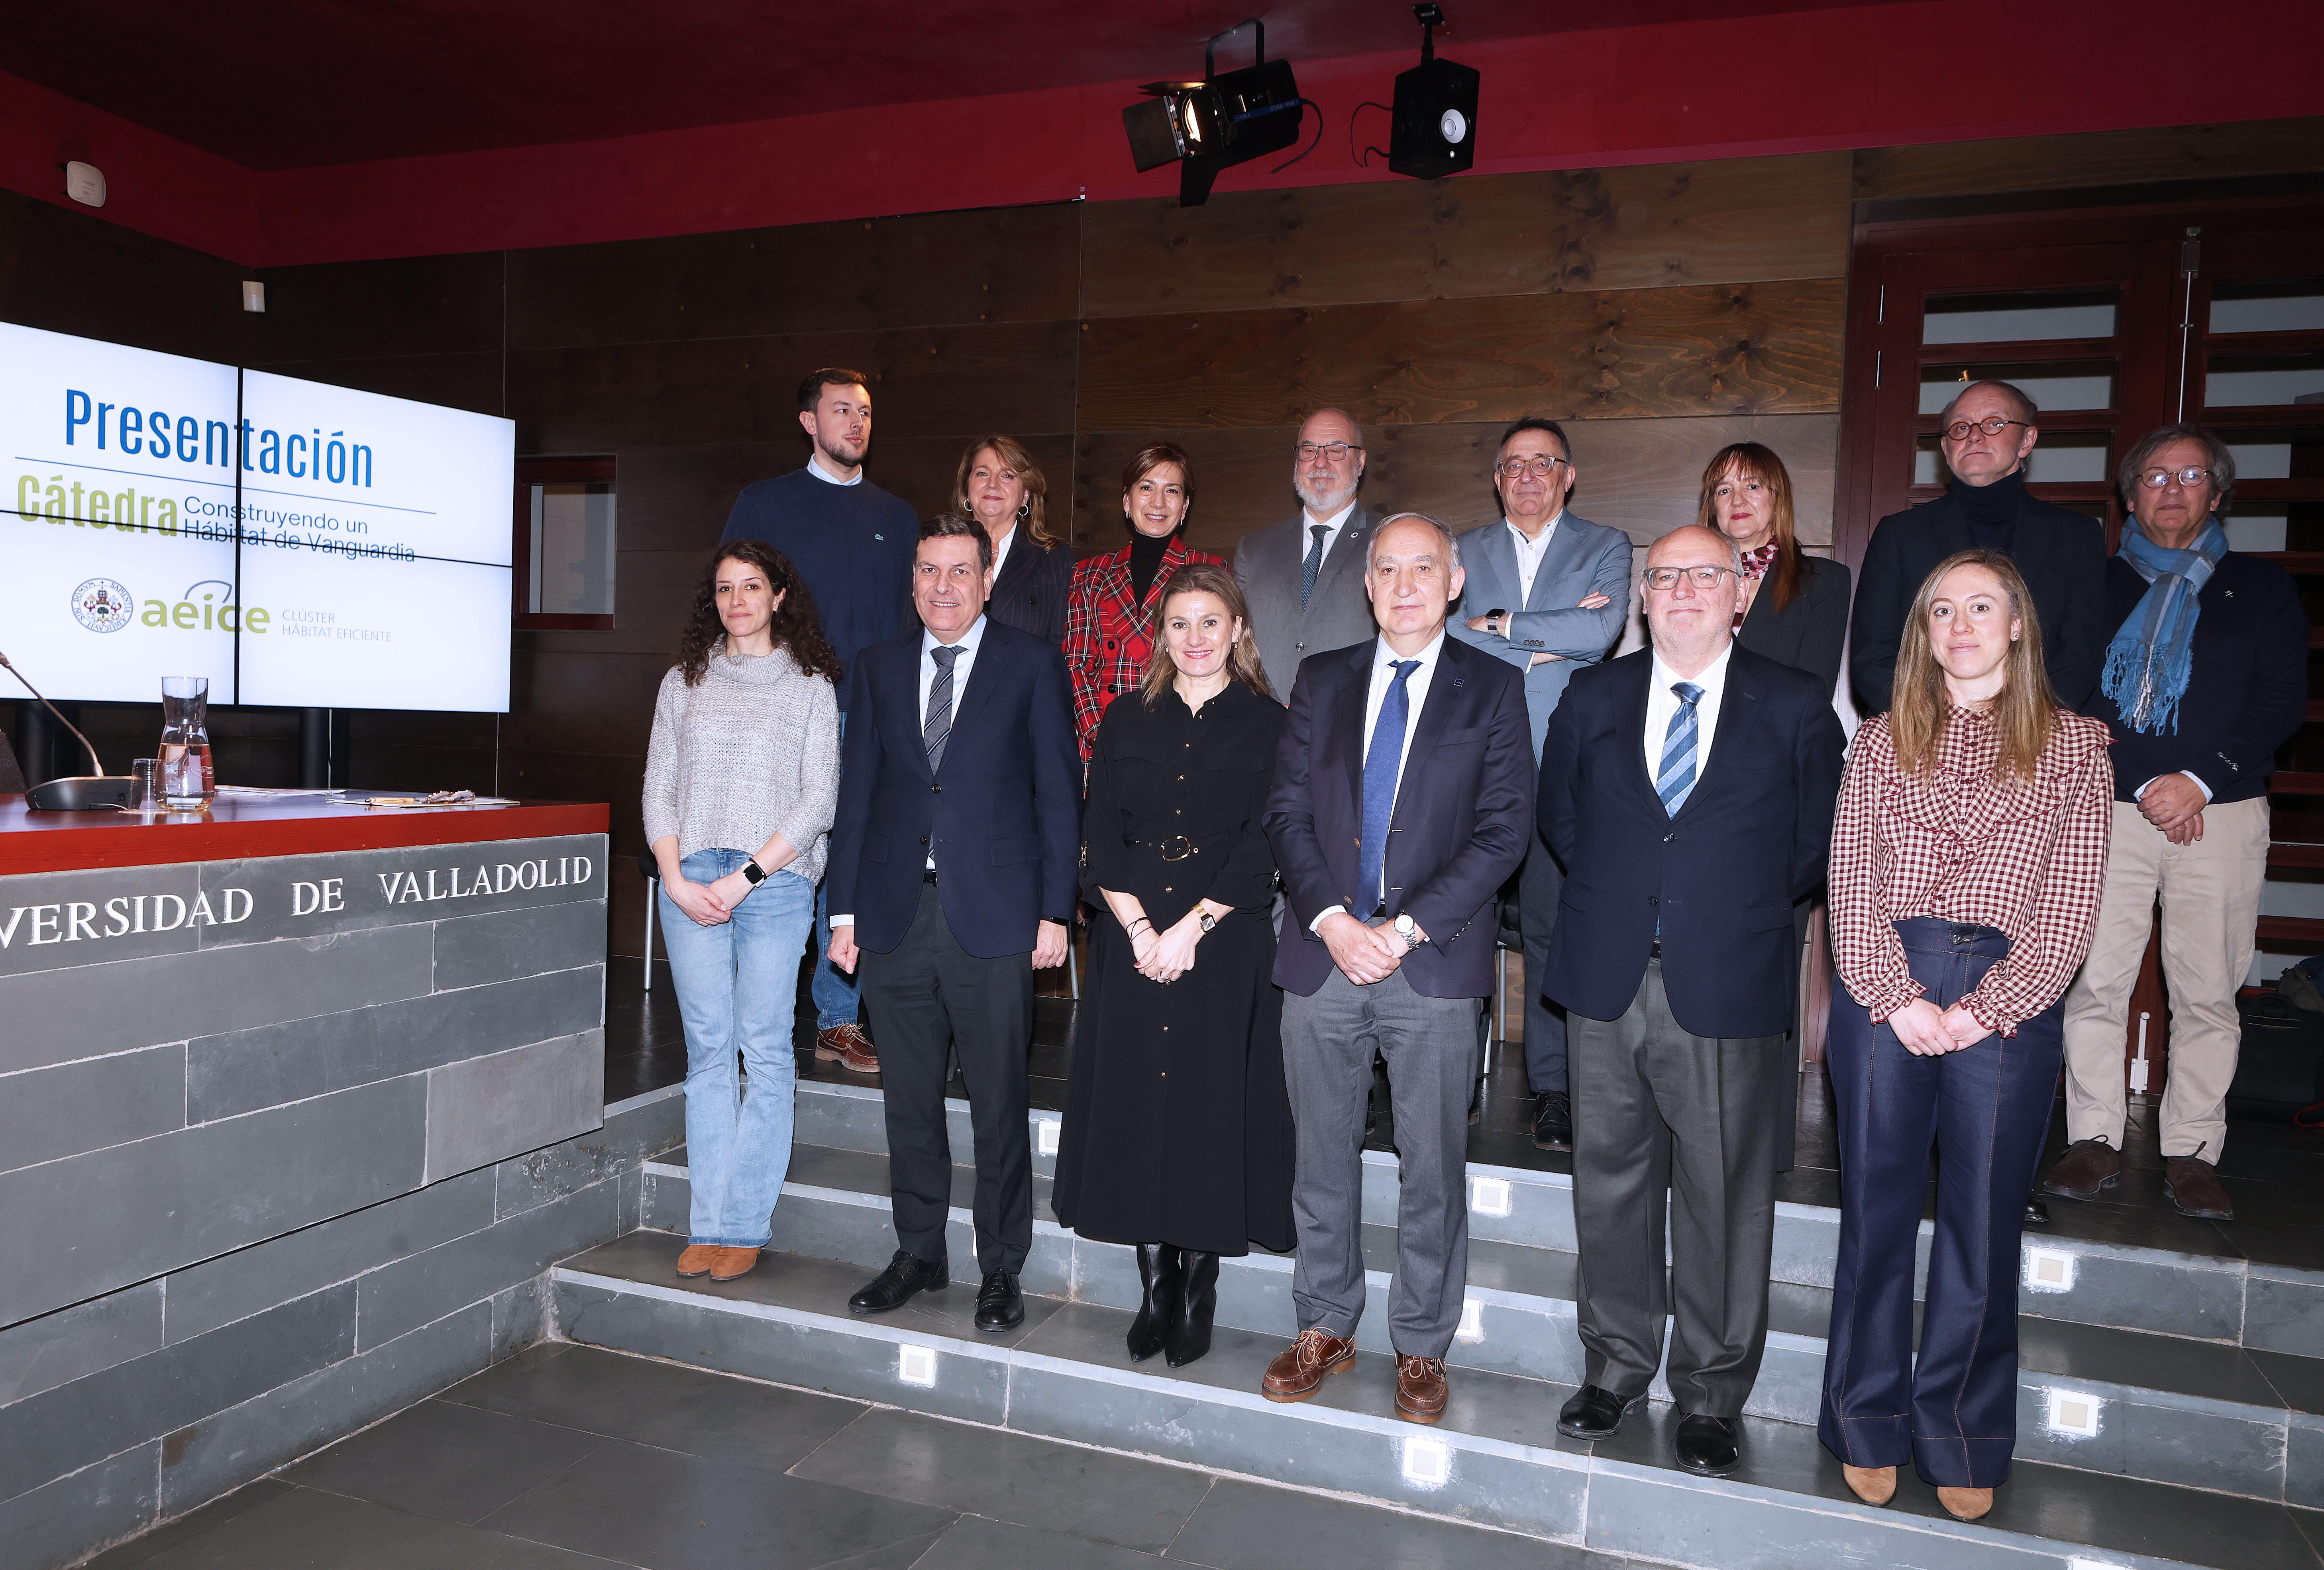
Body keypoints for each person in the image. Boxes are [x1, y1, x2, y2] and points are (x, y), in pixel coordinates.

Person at [1538, 525, 1845, 1480]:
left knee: (1722, 1195)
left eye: (1703, 575)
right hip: (1607, 974)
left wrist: (1724, 906)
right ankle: (1617, 1364)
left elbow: (1815, 840)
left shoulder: (1794, 705)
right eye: (1663, 576)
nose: (1680, 591)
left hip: (1727, 977)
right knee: (1611, 1180)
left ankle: (1711, 1391)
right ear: (1642, 597)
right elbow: (1564, 818)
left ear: (1737, 594)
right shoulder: (1592, 695)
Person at [1821, 551, 2112, 1521]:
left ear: (2018, 623)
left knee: (1983, 1223)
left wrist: (1986, 1005)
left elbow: (2071, 903)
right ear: (1923, 632)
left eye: (1980, 606)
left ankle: (1960, 1429)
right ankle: (1863, 1418)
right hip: (1885, 988)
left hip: (2008, 992)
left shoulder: (2074, 747)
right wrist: (1891, 992)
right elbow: (1849, 880)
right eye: (1941, 609)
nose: (1960, 623)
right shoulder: (1876, 739)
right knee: (1875, 1211)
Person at [1257, 513, 1533, 1426]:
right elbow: (1287, 811)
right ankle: (1325, 1320)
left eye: (1424, 567)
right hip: (1323, 950)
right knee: (1319, 1152)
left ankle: (1421, 1339)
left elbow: (1503, 831)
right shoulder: (1322, 680)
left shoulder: (1493, 688)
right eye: (1388, 568)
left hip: (1434, 958)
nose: (1405, 582)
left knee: (1431, 1162)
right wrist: (1333, 920)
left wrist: (1405, 928)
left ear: (1454, 582)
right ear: (1367, 584)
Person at [826, 515, 1080, 1333]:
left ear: (986, 581)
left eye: (959, 571)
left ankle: (1001, 1265)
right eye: (929, 570)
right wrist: (846, 909)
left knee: (999, 1102)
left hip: (998, 915)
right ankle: (920, 1251)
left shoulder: (1032, 664)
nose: (943, 586)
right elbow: (858, 794)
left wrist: (1054, 910)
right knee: (909, 1101)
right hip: (897, 914)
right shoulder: (877, 667)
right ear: (913, 580)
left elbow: (1057, 796)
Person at [2045, 426, 2305, 1221]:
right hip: (2108, 807)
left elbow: (2280, 701)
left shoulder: (2263, 588)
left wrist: (2197, 779)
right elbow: (2063, 697)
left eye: (2191, 474)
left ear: (2218, 492)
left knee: (2209, 993)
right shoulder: (2094, 583)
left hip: (2221, 811)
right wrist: (2141, 780)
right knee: (2095, 981)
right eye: (2154, 475)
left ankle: (2191, 1150)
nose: (2171, 487)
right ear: (2129, 498)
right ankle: (2093, 1137)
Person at [1052, 562, 1294, 1368]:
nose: (1195, 638)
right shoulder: (1126, 716)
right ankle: (1153, 1280)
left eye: (1211, 622)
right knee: (1137, 1101)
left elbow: (1268, 840)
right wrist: (1137, 927)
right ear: (1163, 633)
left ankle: (1199, 1282)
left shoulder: (1270, 723)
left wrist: (1189, 928)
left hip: (1223, 939)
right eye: (1181, 623)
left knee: (1204, 1102)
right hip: (1132, 936)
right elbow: (1100, 831)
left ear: (1238, 631)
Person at [643, 543, 842, 1285]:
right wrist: (672, 876)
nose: (737, 600)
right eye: (724, 588)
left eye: (751, 586)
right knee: (705, 1051)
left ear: (779, 596)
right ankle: (710, 1221)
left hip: (777, 880)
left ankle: (742, 1224)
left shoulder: (810, 687)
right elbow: (657, 787)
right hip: (688, 877)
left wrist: (747, 877)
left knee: (762, 1049)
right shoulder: (683, 682)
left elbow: (818, 800)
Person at [720, 368, 915, 1076]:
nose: (856, 423)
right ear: (809, 422)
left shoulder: (897, 518)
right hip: (779, 711)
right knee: (776, 861)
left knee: (851, 863)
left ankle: (838, 1019)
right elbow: (732, 604)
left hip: (866, 717)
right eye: (841, 410)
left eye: (865, 412)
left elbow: (908, 625)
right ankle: (756, 1023)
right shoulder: (762, 503)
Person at [1447, 416, 1631, 1151]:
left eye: (1543, 463)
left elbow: (1600, 634)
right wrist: (1542, 636)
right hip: (1474, 763)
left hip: (1567, 764)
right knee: (1460, 921)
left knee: (1555, 929)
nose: (1527, 477)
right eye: (1513, 465)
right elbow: (1440, 624)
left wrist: (1497, 627)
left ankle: (1553, 1090)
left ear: (1568, 475)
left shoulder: (1606, 546)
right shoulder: (1462, 548)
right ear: (1497, 480)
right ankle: (1450, 1080)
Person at [1849, 380, 2107, 714]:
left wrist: (2020, 729)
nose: (1974, 435)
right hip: (1918, 737)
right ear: (1945, 448)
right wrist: (1944, 730)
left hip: (2038, 740)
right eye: (1960, 427)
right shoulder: (1898, 534)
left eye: (1994, 424)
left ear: (2027, 440)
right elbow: (1874, 655)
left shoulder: (2076, 536)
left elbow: (2080, 655)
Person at [1065, 444, 1225, 758]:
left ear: (1185, 505)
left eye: (1172, 491)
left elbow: (1217, 666)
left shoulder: (1211, 569)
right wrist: (1103, 735)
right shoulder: (1088, 574)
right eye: (1146, 488)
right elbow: (1076, 665)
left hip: (1182, 739)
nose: (1158, 502)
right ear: (1127, 500)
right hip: (1102, 741)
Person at [1233, 410, 1386, 703]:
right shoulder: (1254, 551)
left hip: (1354, 722)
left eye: (1336, 450)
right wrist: (1272, 708)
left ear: (1361, 461)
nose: (1321, 462)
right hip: (1264, 725)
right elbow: (1237, 642)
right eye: (1309, 450)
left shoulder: (1387, 542)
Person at [1702, 442, 1853, 698]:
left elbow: (1813, 695)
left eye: (1753, 487)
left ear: (1777, 497)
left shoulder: (1825, 581)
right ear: (1713, 506)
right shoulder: (1688, 582)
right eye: (1724, 490)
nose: (1738, 501)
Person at [955, 434, 1071, 646]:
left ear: (1026, 495)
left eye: (1007, 476)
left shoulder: (1055, 559)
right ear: (967, 488)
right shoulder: (936, 550)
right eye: (982, 473)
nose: (992, 484)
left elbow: (1060, 649)